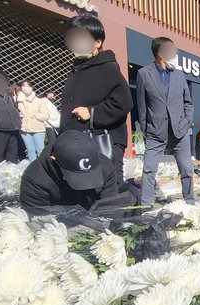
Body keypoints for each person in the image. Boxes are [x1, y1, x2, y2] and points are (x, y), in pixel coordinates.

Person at [60, 14, 133, 184]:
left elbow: (123, 102)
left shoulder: (107, 67)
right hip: (79, 143)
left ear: (97, 42)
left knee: (108, 192)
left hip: (103, 141)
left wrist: (92, 113)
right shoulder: (78, 69)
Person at [136, 36, 195, 206]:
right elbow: (141, 104)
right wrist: (144, 128)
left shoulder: (179, 75)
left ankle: (190, 203)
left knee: (186, 169)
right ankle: (145, 206)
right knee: (149, 170)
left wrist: (187, 121)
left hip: (180, 130)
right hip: (155, 131)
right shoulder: (144, 74)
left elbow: (188, 102)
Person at [20, 130, 118, 209]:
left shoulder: (106, 167)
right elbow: (37, 220)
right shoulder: (35, 179)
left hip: (94, 215)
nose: (85, 183)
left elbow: (111, 207)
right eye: (77, 176)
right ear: (54, 160)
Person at [16, 80, 49, 161]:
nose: (26, 87)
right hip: (24, 129)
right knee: (30, 150)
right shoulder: (18, 100)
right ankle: (32, 169)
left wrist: (35, 116)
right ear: (21, 88)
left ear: (31, 87)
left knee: (40, 149)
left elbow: (46, 115)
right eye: (24, 86)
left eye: (28, 85)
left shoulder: (39, 100)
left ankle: (42, 168)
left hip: (37, 128)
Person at [0, 68, 21, 163]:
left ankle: (10, 175)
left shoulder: (7, 94)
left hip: (13, 128)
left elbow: (14, 108)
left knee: (12, 156)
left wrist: (17, 120)